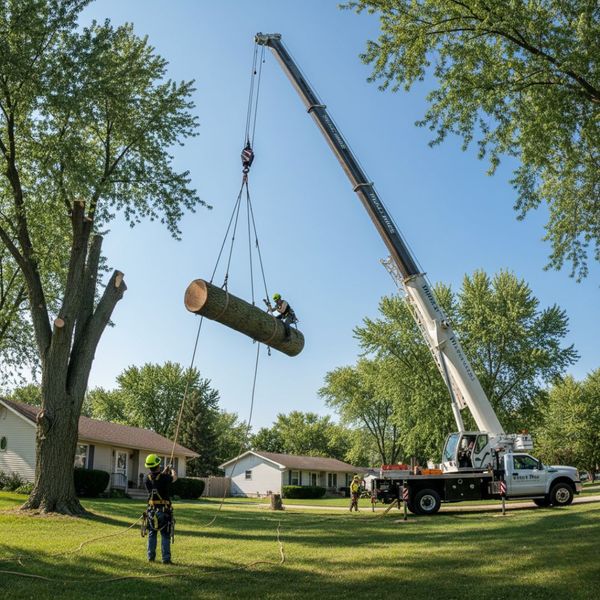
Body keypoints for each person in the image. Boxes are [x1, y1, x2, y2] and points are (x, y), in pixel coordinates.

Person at [144, 454, 177, 564]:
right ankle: (166, 559)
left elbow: (157, 480)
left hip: (151, 511)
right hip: (164, 511)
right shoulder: (165, 478)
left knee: (152, 534)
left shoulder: (147, 478)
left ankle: (150, 557)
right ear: (158, 464)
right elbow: (174, 478)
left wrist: (164, 471)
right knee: (165, 535)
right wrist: (172, 470)